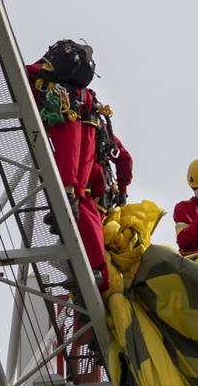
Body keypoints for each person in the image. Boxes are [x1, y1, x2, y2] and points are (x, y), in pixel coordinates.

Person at [26, 39, 129, 273]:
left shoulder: (59, 93)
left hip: (83, 189)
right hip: (91, 194)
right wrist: (122, 190)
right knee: (82, 209)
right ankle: (96, 269)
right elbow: (124, 159)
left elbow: (69, 148)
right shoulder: (93, 116)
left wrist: (70, 189)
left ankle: (95, 269)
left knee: (80, 206)